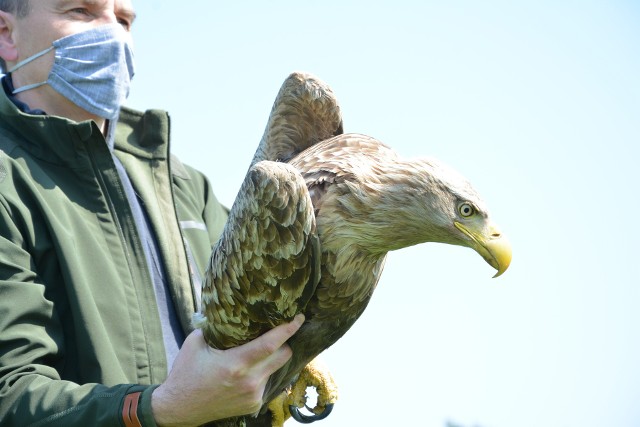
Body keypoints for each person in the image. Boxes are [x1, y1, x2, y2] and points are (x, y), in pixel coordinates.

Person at [0, 1, 304, 426]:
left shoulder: (182, 184)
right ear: (6, 34)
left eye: (124, 20)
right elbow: (10, 396)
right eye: (81, 11)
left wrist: (293, 364)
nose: (112, 35)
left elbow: (259, 316)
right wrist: (155, 409)